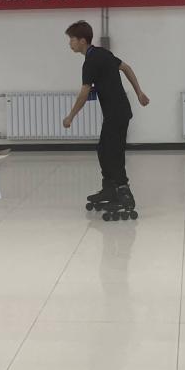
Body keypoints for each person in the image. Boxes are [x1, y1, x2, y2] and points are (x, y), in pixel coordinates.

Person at [63, 20, 150, 220]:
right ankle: (109, 189)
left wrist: (70, 116)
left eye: (72, 39)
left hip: (116, 113)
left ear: (82, 41)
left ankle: (124, 193)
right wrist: (138, 92)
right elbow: (126, 68)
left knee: (113, 152)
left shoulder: (90, 62)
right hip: (117, 112)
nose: (70, 43)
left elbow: (84, 93)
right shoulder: (102, 53)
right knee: (103, 149)